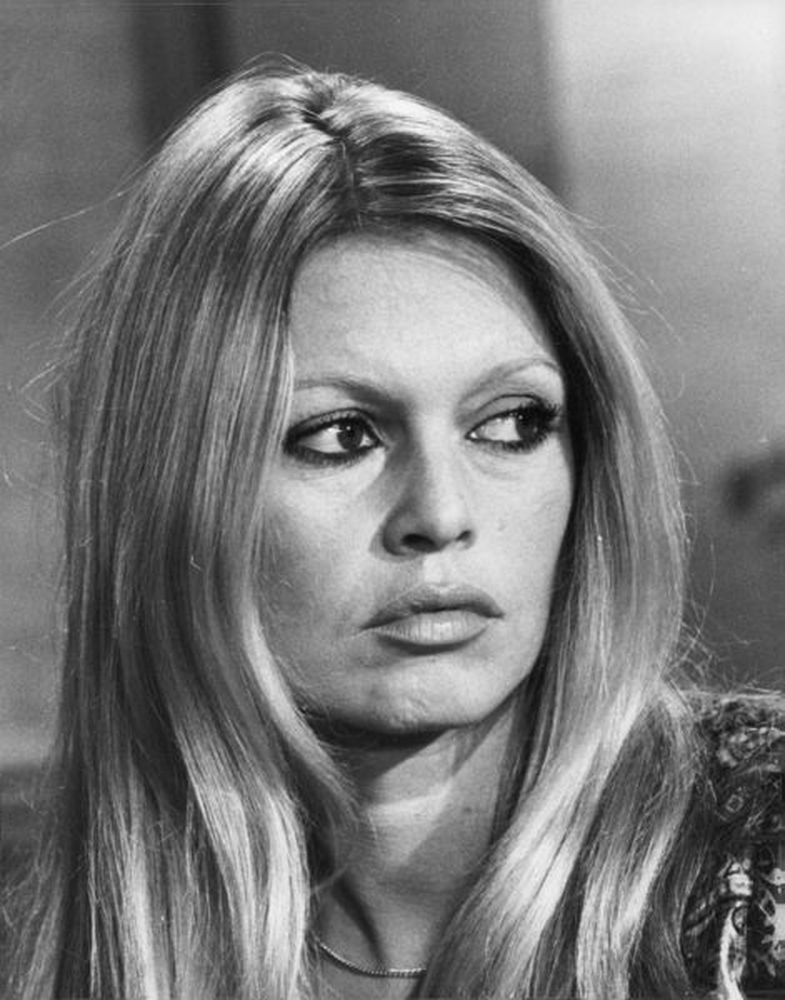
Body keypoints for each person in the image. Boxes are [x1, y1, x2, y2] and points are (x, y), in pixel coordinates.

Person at [2, 62, 783, 1000]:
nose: (441, 517)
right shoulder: (80, 944)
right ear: (175, 489)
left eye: (510, 424)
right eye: (341, 435)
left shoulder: (761, 849)